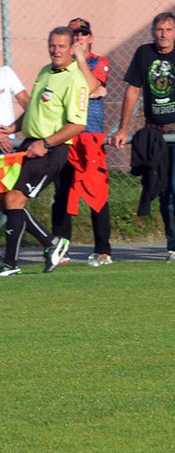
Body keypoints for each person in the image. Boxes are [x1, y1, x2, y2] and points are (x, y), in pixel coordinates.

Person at [111, 12, 175, 261]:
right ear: (153, 33)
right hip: (155, 134)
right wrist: (123, 128)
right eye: (159, 30)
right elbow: (132, 91)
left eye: (169, 30)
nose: (164, 34)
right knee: (164, 188)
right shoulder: (143, 54)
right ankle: (173, 245)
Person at [0, 27, 87, 277]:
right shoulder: (45, 71)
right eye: (52, 45)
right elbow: (35, 110)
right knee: (5, 198)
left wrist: (46, 143)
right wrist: (12, 128)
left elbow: (77, 124)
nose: (55, 50)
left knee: (14, 199)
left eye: (61, 46)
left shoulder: (75, 80)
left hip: (51, 151)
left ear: (72, 49)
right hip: (30, 145)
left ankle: (10, 264)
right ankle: (52, 244)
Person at [51, 17, 114, 266]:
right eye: (74, 34)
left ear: (90, 37)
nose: (79, 38)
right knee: (63, 192)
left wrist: (79, 61)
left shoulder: (98, 62)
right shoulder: (59, 66)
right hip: (66, 135)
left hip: (89, 137)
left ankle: (103, 249)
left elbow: (91, 86)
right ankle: (61, 247)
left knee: (96, 193)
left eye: (83, 34)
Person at [0, 59, 29, 233]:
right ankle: (49, 241)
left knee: (9, 200)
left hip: (7, 149)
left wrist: (11, 129)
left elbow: (30, 106)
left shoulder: (6, 73)